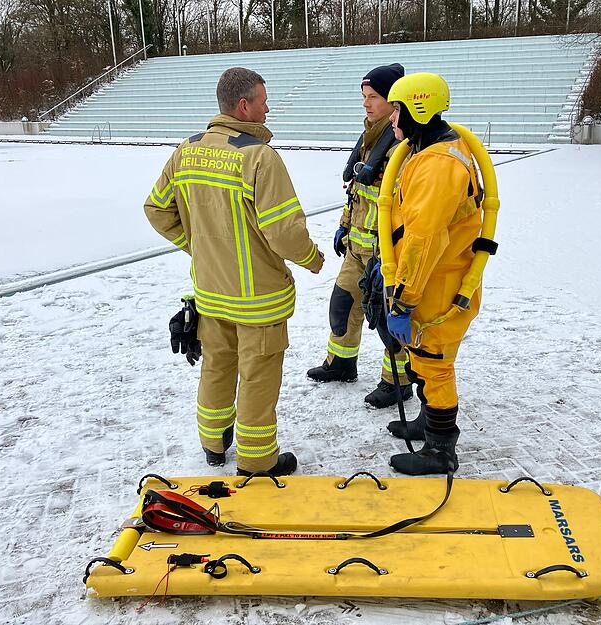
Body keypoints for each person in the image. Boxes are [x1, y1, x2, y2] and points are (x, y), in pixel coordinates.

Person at [144, 67, 324, 477]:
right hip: (258, 298)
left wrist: (198, 246)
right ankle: (258, 459)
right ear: (243, 106)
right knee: (258, 375)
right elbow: (283, 231)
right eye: (263, 100)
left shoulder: (185, 151)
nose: (268, 108)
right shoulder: (259, 157)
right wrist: (312, 258)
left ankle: (213, 443)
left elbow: (156, 209)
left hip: (210, 290)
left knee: (217, 365)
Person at [382, 72, 484, 475]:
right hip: (436, 276)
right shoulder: (429, 150)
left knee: (434, 363)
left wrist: (402, 300)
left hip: (434, 283)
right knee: (424, 362)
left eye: (397, 110)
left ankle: (441, 449)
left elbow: (423, 240)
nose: (392, 119)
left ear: (417, 109)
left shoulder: (437, 164)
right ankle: (429, 422)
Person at [306, 63, 413, 409]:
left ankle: (397, 382)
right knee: (342, 304)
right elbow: (357, 191)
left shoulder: (402, 145)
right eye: (364, 97)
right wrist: (344, 224)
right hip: (357, 246)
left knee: (388, 320)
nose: (366, 104)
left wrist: (394, 252)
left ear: (394, 101)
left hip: (386, 253)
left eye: (373, 97)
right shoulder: (370, 138)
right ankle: (341, 363)